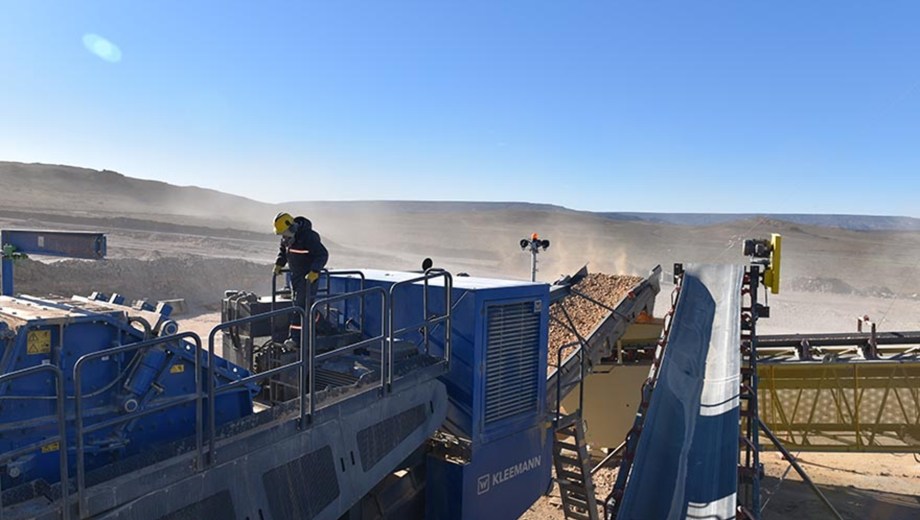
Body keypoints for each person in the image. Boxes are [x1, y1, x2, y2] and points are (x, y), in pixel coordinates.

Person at [272, 212, 329, 348]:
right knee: (304, 307)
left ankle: (295, 338)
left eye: (284, 232)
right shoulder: (287, 239)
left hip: (309, 277)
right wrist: (279, 263)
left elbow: (322, 254)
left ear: (292, 227)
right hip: (295, 277)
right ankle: (325, 327)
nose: (283, 236)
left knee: (300, 307)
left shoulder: (309, 237)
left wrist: (315, 271)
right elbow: (283, 252)